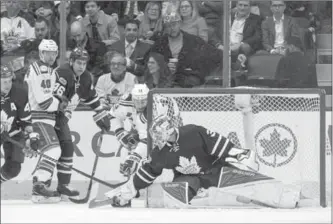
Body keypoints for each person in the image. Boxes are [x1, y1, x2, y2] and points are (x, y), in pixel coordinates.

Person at [105, 115, 301, 209]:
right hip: (188, 178)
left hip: (215, 170)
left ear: (168, 131)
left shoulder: (193, 132)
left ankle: (288, 196)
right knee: (172, 198)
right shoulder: (159, 152)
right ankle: (203, 198)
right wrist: (127, 192)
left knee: (254, 184)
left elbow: (221, 145)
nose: (156, 139)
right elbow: (148, 172)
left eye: (159, 135)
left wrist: (240, 156)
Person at [51, 47, 111, 195]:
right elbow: (54, 98)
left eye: (84, 63)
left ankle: (63, 185)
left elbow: (90, 97)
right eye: (78, 62)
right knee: (53, 151)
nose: (81, 66)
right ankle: (43, 185)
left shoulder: (86, 77)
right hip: (51, 117)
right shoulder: (62, 73)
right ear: (71, 61)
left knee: (66, 149)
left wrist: (100, 113)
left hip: (63, 118)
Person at [24, 39, 73, 203]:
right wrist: (61, 103)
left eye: (54, 53)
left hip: (43, 118)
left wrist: (56, 99)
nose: (51, 56)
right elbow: (44, 102)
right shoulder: (43, 70)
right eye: (48, 53)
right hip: (40, 118)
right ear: (41, 53)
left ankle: (39, 191)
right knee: (53, 151)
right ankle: (39, 183)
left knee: (50, 152)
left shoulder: (45, 69)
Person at [106, 84, 182, 178]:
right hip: (144, 126)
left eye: (143, 101)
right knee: (129, 144)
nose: (140, 105)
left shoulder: (155, 108)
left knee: (174, 149)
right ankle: (131, 183)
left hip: (170, 120)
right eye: (137, 101)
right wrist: (119, 132)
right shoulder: (126, 100)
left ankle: (180, 178)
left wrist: (135, 157)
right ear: (132, 98)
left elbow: (149, 139)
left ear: (148, 99)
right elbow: (112, 115)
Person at [0, 65, 39, 184]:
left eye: (9, 81)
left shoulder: (19, 93)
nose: (8, 85)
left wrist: (31, 137)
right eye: (4, 82)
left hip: (13, 132)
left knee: (13, 169)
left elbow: (25, 121)